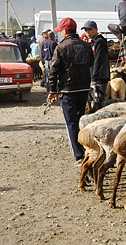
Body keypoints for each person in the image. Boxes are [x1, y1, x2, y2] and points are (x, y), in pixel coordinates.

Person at [47, 17, 94, 166]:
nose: (60, 33)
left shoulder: (61, 47)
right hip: (84, 87)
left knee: (71, 122)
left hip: (68, 90)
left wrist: (53, 91)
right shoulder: (86, 45)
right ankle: (86, 149)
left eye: (61, 30)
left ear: (65, 31)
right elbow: (91, 63)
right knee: (82, 120)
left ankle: (79, 155)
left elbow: (53, 71)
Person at [82, 20, 110, 103]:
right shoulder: (93, 42)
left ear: (96, 29)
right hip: (94, 75)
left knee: (98, 101)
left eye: (90, 30)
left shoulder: (100, 41)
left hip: (99, 77)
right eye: (86, 30)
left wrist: (94, 78)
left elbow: (98, 60)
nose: (88, 32)